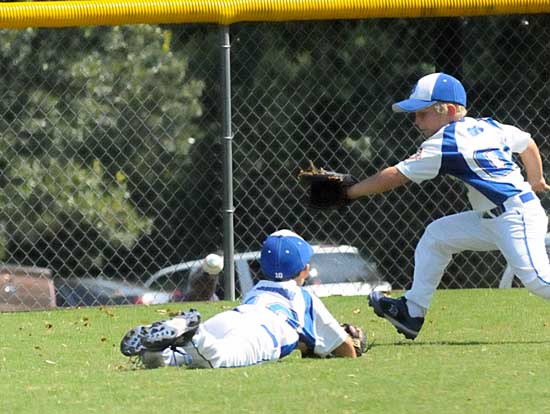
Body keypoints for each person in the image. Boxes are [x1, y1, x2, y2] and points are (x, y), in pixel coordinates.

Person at [346, 72, 550, 340]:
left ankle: (412, 310)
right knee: (437, 236)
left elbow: (396, 175)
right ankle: (412, 311)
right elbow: (526, 142)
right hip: (497, 215)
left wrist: (349, 192)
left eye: (423, 113)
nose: (416, 121)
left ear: (450, 110)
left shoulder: (447, 141)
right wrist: (535, 179)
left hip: (515, 216)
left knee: (538, 280)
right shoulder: (488, 126)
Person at [120, 230, 359, 369]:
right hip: (264, 333)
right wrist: (351, 342)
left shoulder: (257, 290)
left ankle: (157, 354)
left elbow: (302, 341)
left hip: (233, 317)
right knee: (220, 357)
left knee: (184, 358)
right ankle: (193, 333)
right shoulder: (305, 298)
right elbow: (345, 350)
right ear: (305, 270)